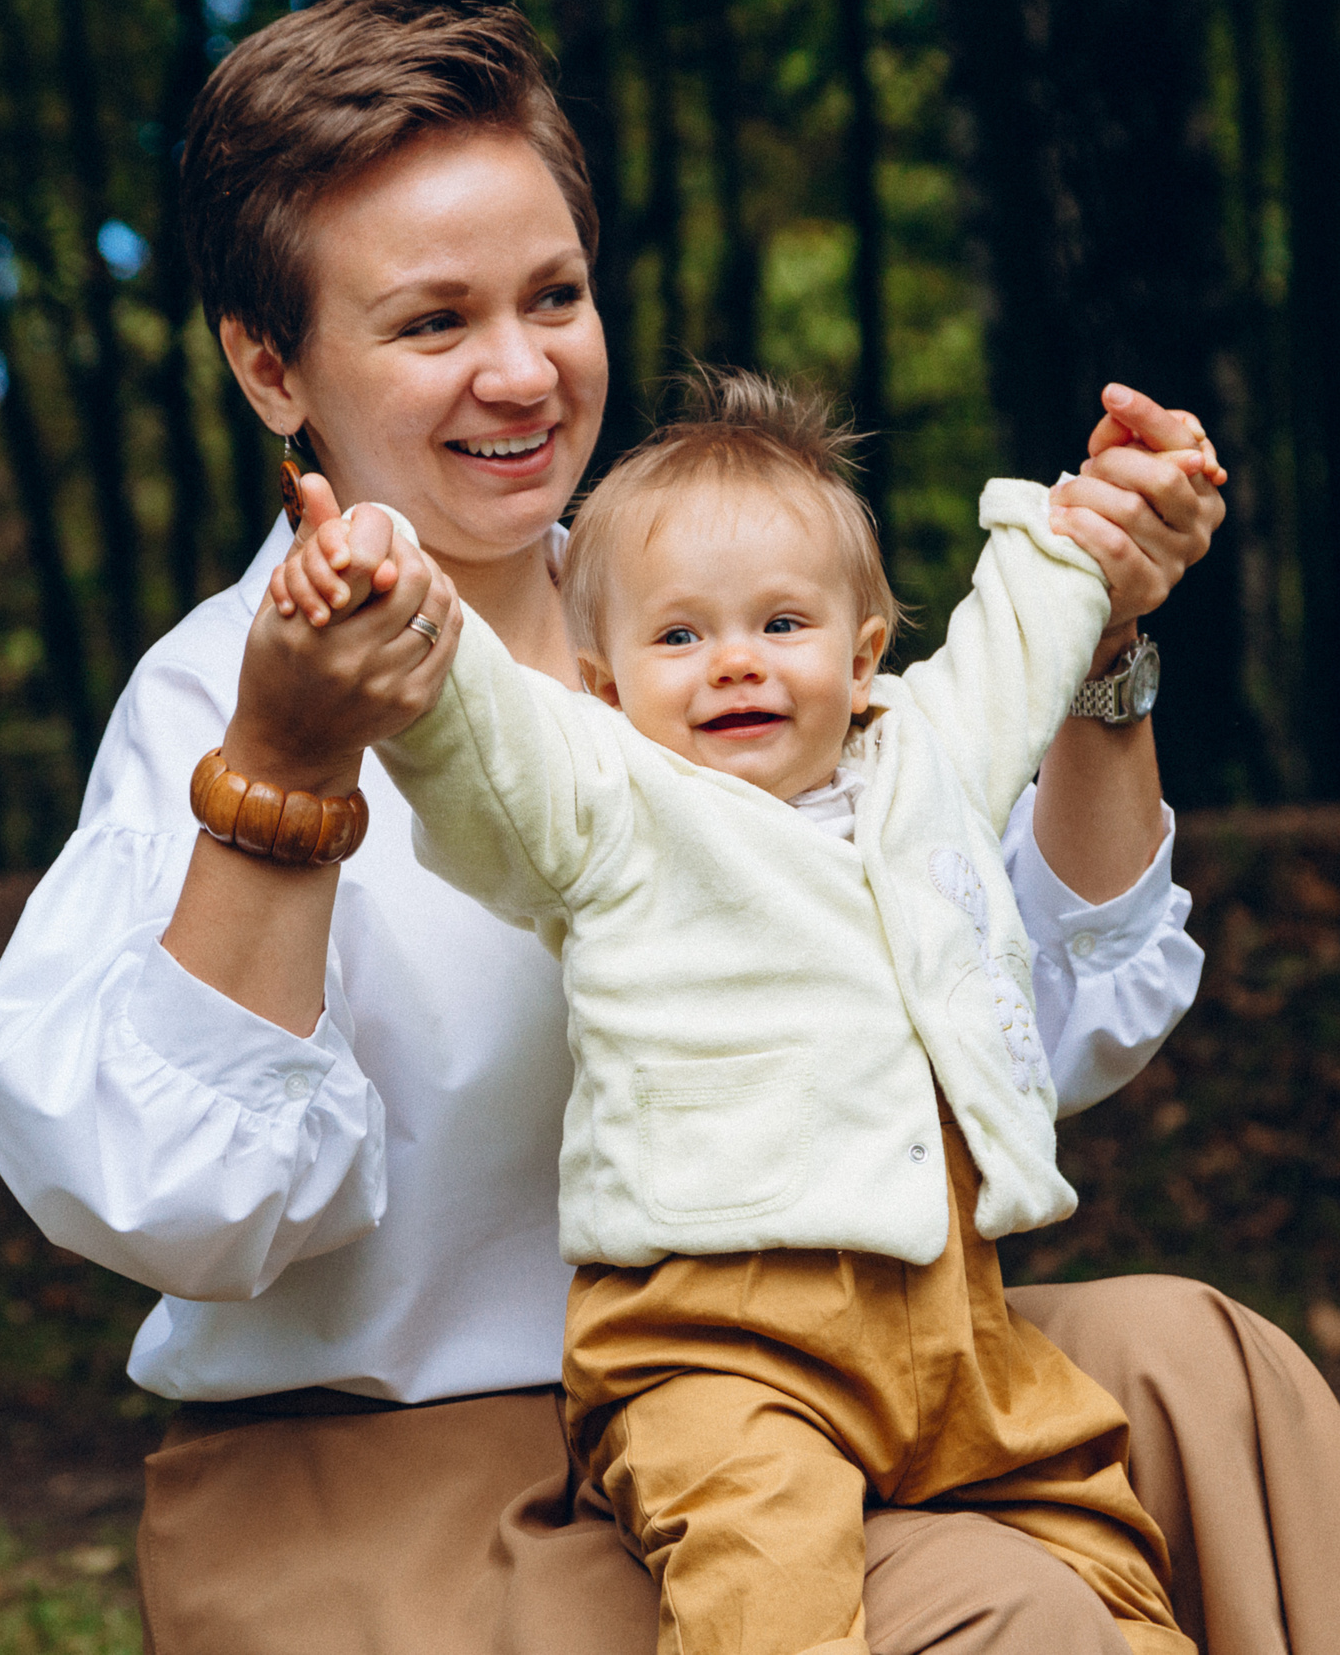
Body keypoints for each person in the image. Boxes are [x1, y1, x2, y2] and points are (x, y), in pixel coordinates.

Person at [0, 0, 1340, 1655]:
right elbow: (182, 1202)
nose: (521, 369)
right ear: (270, 364)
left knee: (1204, 1364)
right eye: (434, 321)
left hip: (826, 1356)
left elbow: (1026, 1032)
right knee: (1010, 1611)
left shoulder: (714, 640)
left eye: (554, 295)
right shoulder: (216, 699)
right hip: (403, 1482)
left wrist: (1100, 643)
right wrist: (292, 765)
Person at [350, 368, 1190, 1655]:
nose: (734, 660)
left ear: (861, 657)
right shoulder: (610, 807)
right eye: (679, 637)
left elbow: (1023, 633)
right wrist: (404, 609)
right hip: (715, 1346)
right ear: (604, 688)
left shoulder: (926, 760)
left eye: (781, 623)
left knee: (1100, 1554)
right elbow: (485, 747)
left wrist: (1102, 508)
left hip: (955, 1328)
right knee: (765, 1585)